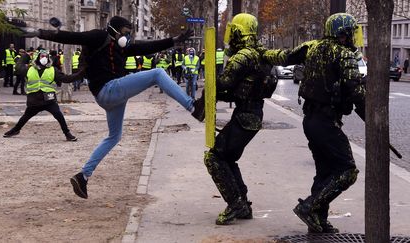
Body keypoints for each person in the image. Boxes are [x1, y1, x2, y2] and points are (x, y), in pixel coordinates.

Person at [23, 16, 202, 199]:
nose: (128, 38)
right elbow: (72, 37)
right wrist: (39, 33)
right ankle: (192, 107)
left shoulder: (122, 48)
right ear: (114, 30)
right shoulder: (99, 36)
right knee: (157, 73)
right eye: (125, 33)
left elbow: (147, 46)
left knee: (114, 136)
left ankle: (83, 176)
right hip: (109, 90)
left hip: (107, 96)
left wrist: (174, 40)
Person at [195, 13, 285, 225]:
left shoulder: (243, 56)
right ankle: (242, 202)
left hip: (245, 116)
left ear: (238, 31)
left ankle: (236, 203)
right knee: (227, 157)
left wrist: (208, 91)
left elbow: (224, 85)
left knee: (214, 158)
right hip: (252, 114)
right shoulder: (261, 54)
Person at [288, 13, 365, 233]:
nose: (353, 37)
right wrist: (375, 119)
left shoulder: (314, 49)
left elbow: (285, 56)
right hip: (326, 122)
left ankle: (318, 220)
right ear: (343, 34)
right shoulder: (343, 54)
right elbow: (356, 91)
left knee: (324, 172)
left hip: (311, 120)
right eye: (351, 32)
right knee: (347, 171)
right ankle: (309, 207)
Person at [3, 50, 78, 141]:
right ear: (37, 58)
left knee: (59, 115)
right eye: (42, 56)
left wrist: (80, 74)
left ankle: (67, 133)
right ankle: (15, 130)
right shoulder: (29, 69)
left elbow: (66, 78)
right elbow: (18, 67)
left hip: (48, 100)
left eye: (46, 56)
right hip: (34, 100)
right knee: (25, 116)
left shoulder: (53, 70)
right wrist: (26, 55)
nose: (44, 58)